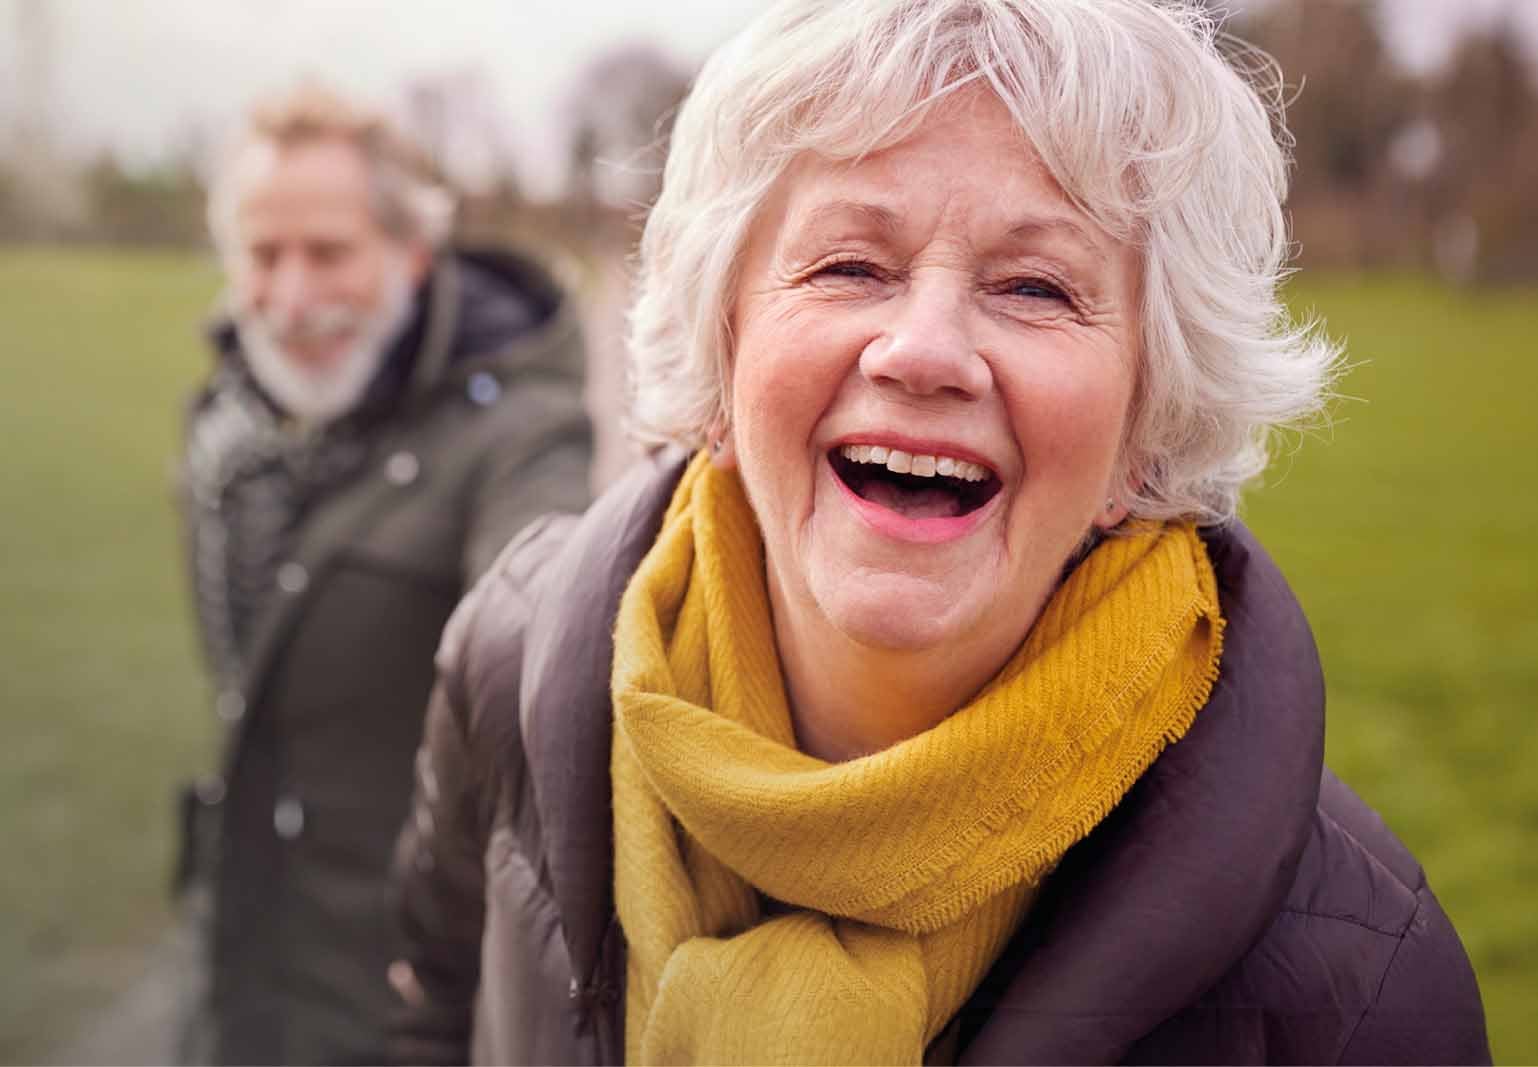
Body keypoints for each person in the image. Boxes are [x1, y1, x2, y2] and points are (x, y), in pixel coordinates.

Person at [391, 1, 1490, 1063]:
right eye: (849, 266)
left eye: (1034, 286)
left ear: (1144, 433)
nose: (920, 352)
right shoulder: (509, 663)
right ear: (719, 354)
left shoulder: (1356, 991)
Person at [174, 84, 592, 1064]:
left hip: (394, 1002)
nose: (287, 295)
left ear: (411, 253)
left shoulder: (520, 431)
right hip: (236, 975)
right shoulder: (230, 428)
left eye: (326, 252)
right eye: (261, 255)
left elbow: (542, 605)